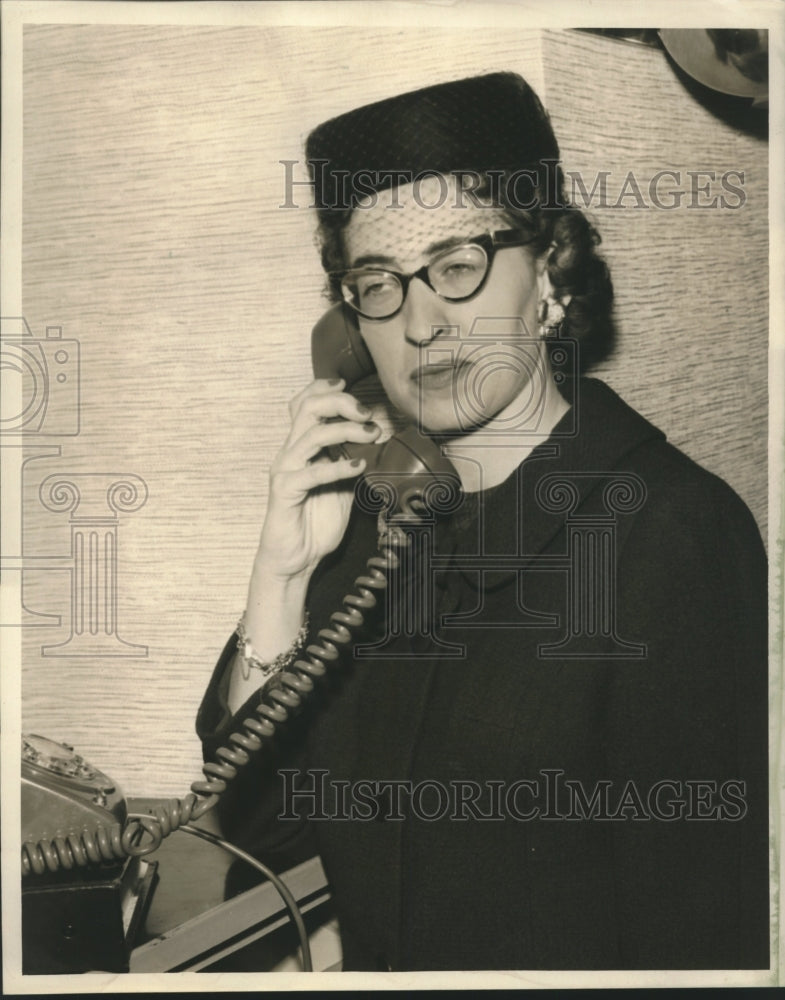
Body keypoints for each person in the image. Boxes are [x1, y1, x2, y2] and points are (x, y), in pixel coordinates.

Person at [197, 73, 769, 972]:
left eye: (457, 267)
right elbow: (263, 825)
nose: (421, 323)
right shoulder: (378, 535)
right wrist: (281, 577)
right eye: (377, 284)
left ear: (547, 271)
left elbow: (698, 929)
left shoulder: (669, 533)